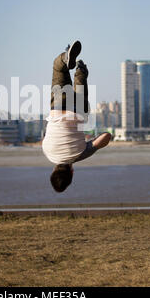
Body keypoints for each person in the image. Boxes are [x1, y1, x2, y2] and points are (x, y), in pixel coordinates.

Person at [42, 40, 112, 192]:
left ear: (72, 173)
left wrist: (89, 145)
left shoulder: (80, 154)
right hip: (58, 108)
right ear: (53, 171)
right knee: (58, 69)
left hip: (79, 111)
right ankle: (66, 58)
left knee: (80, 82)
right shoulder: (47, 151)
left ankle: (80, 68)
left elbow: (106, 136)